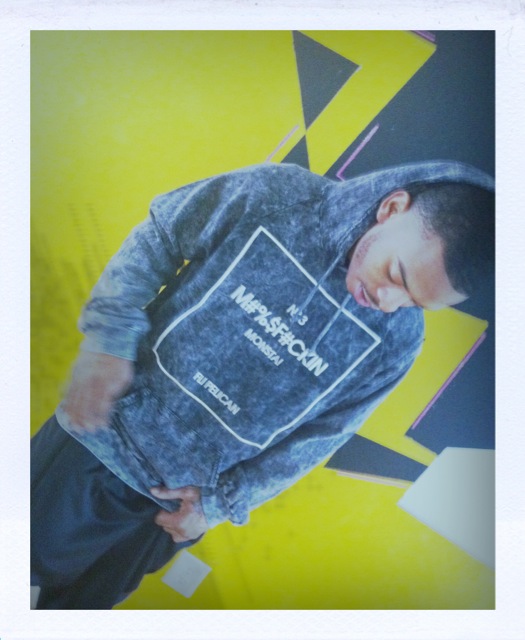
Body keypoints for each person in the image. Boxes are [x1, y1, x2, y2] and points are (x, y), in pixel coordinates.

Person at [31, 160, 495, 608]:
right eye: (396, 275)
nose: (389, 302)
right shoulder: (279, 196)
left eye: (414, 302)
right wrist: (109, 342)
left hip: (173, 511)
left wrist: (219, 505)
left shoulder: (399, 340)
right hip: (98, 443)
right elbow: (161, 237)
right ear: (392, 208)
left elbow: (323, 435)